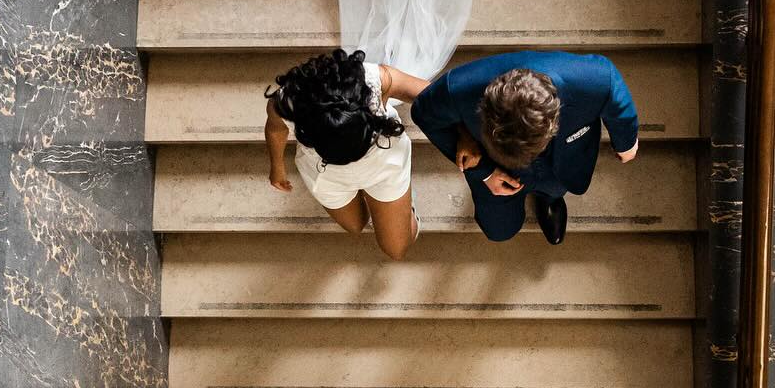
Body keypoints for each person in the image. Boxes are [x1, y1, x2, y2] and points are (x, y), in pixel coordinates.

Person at [410, 51, 639, 244]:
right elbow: (422, 112)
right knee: (499, 231)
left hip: (561, 159)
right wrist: (481, 166)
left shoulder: (595, 80)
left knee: (556, 187)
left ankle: (549, 199)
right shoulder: (457, 90)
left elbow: (616, 95)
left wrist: (626, 141)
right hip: (494, 170)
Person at [263, 49, 449, 261]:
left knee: (396, 248)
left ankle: (405, 200)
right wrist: (276, 167)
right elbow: (276, 129)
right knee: (355, 225)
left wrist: (465, 137)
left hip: (383, 165)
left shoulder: (374, 80)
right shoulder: (288, 102)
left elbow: (436, 96)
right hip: (326, 175)